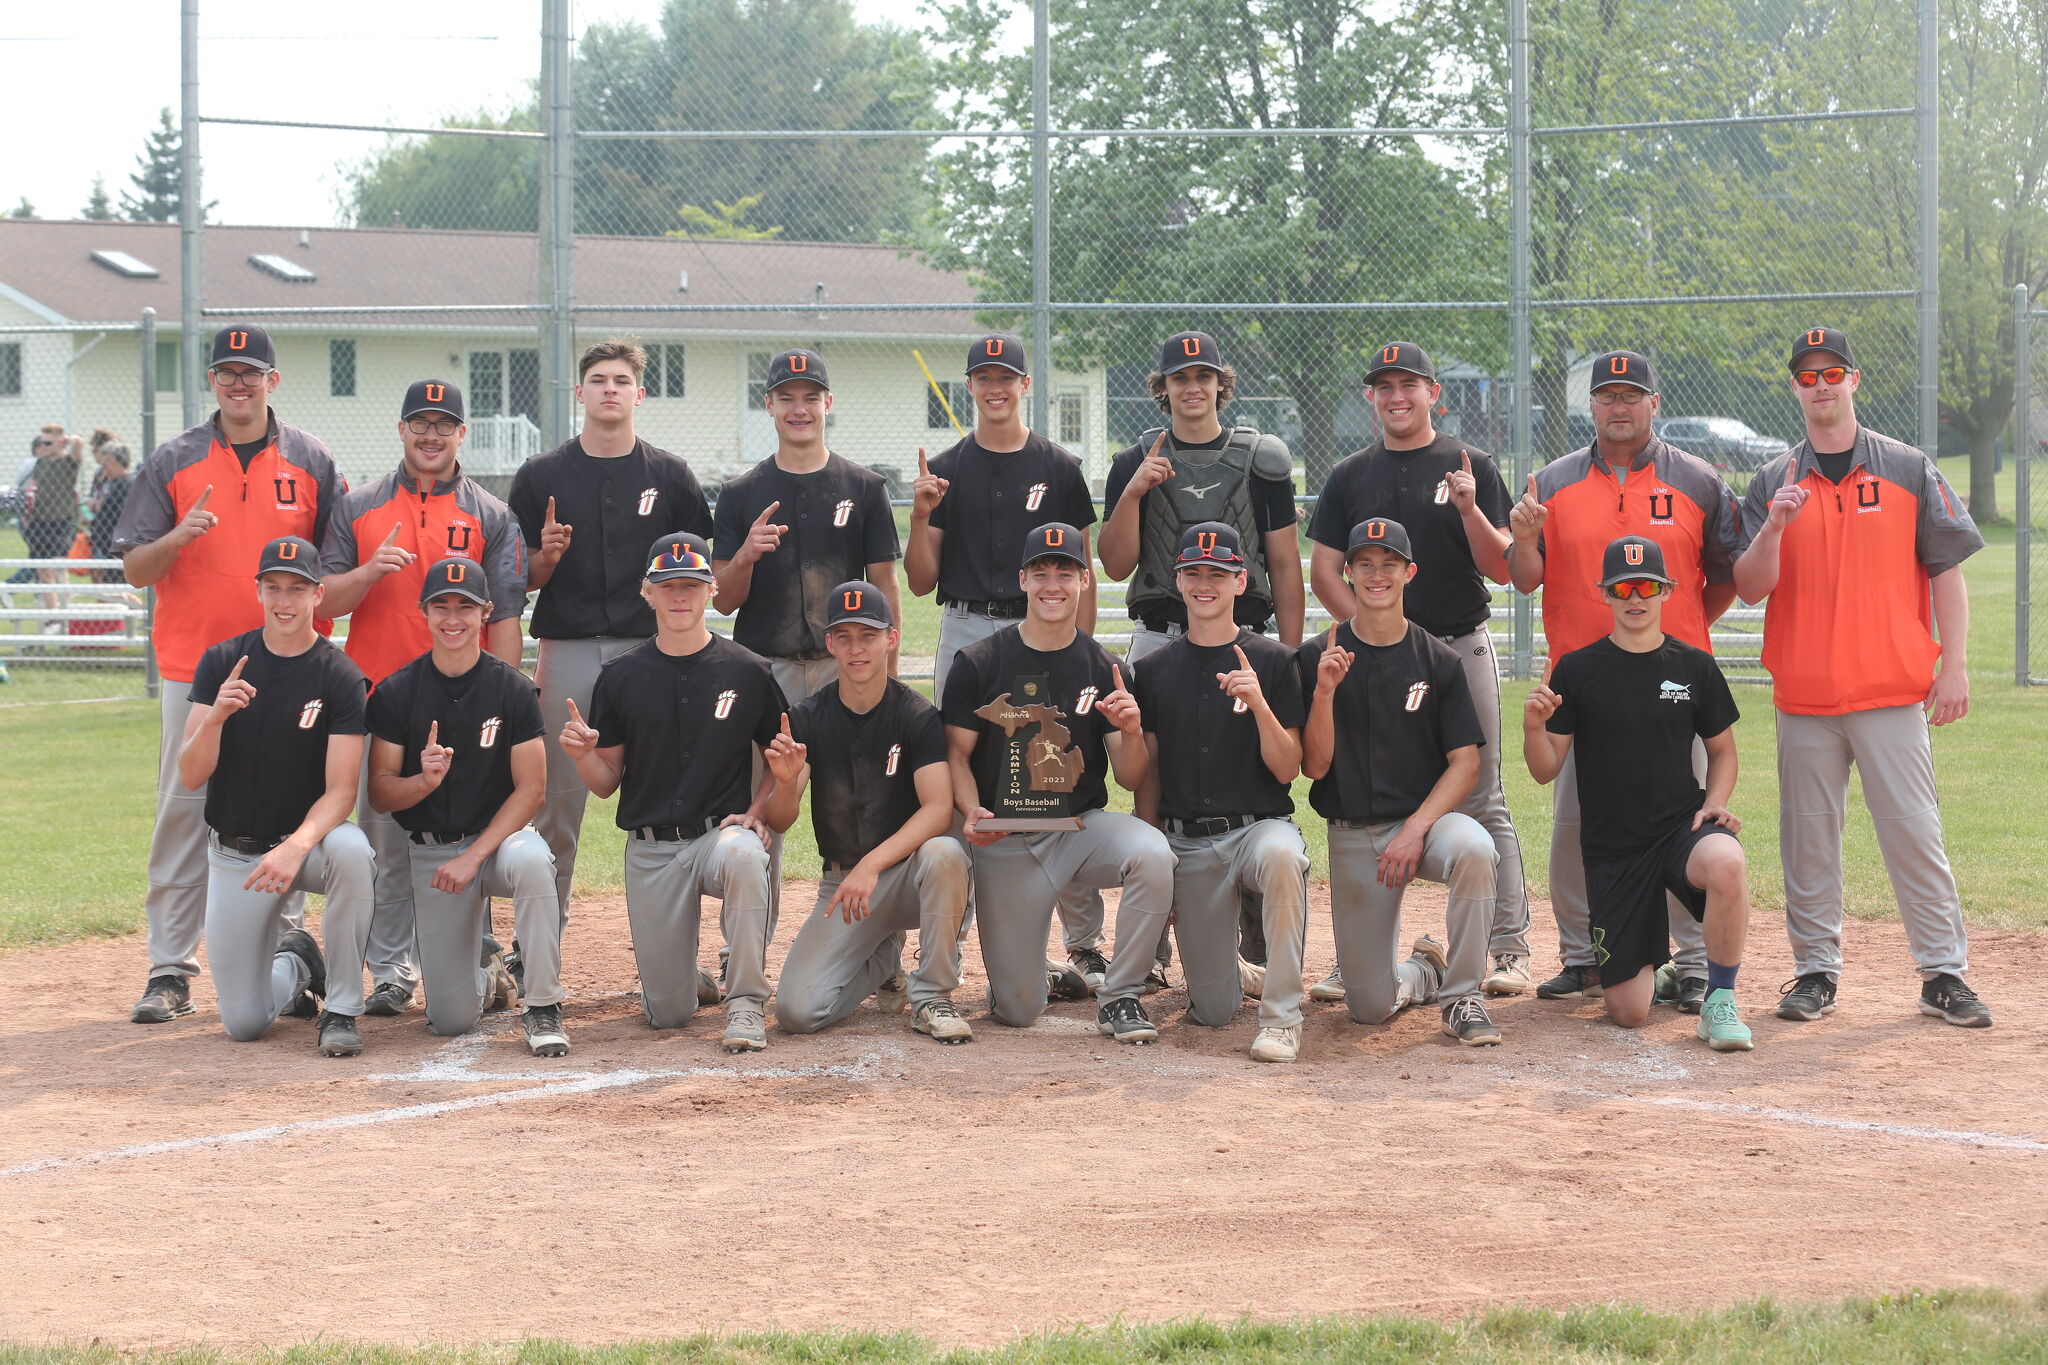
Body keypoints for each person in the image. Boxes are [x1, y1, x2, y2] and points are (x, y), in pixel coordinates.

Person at [1734, 326, 1991, 1029]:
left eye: (1833, 372)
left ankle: (1943, 973)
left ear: (1854, 379)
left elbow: (1946, 573)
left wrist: (1955, 666)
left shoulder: (1908, 468)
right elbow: (1749, 587)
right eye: (1807, 375)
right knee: (1808, 837)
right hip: (1807, 695)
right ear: (1794, 386)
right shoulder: (1772, 480)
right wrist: (1774, 529)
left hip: (1892, 690)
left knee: (1914, 832)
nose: (1821, 384)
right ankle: (1814, 971)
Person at [113, 325, 346, 1026]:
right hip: (195, 663)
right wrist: (179, 536)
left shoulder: (309, 459)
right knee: (184, 808)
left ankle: (285, 951)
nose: (238, 383)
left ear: (273, 380)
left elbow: (329, 574)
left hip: (288, 667)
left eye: (251, 372)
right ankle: (169, 968)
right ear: (211, 380)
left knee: (285, 807)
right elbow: (134, 569)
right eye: (226, 372)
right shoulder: (176, 458)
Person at [1506, 349, 1747, 1011]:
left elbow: (1724, 574)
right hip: (1581, 683)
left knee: (1686, 817)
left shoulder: (1697, 479)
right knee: (1575, 823)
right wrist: (1525, 537)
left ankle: (1694, 963)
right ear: (1592, 405)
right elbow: (1525, 576)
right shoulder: (1551, 481)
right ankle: (1585, 957)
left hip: (1674, 683)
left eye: (1631, 394)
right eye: (1607, 394)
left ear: (1653, 403)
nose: (1619, 405)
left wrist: (1682, 627)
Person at [1305, 341, 1530, 1002]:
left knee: (1483, 794)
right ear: (1371, 397)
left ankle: (1508, 945)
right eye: (1384, 386)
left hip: (1459, 645)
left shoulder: (1471, 464)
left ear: (1435, 393)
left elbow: (1505, 568)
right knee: (1367, 794)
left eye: (1410, 384)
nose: (1396, 396)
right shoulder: (1350, 473)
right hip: (1372, 658)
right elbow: (1324, 568)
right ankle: (1358, 957)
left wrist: (1468, 507)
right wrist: (1375, 639)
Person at [1100, 331, 1303, 988]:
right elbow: (1114, 562)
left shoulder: (1261, 456)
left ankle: (1255, 914)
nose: (1192, 387)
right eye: (1179, 377)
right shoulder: (1135, 458)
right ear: (1162, 387)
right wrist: (1133, 491)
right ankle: (1156, 927)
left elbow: (1282, 562)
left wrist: (1291, 654)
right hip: (1163, 633)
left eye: (1203, 376)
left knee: (1249, 773)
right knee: (1152, 780)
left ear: (1221, 382)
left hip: (1247, 632)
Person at [319, 379, 527, 1018]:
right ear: (401, 429)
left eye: (444, 424)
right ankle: (389, 970)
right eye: (419, 422)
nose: (431, 434)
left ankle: (474, 955)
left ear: (462, 433)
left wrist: (500, 702)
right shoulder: (357, 506)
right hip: (379, 697)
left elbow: (508, 619)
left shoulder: (490, 514)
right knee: (384, 837)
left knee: (461, 830)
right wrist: (368, 571)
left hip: (468, 702)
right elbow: (322, 600)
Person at [905, 332, 1106, 989]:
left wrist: (1083, 644)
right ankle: (948, 938)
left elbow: (1084, 570)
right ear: (971, 386)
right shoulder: (948, 466)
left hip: (1048, 627)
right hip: (967, 627)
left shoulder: (1059, 465)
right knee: (963, 770)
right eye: (983, 377)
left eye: (1006, 376)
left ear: (1025, 385)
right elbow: (917, 580)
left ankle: (1084, 943)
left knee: (1063, 769)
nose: (995, 387)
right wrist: (919, 517)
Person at [942, 522, 1176, 1042]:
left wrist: (1131, 731)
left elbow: (1131, 776)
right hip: (1005, 840)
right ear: (1022, 580)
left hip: (1076, 830)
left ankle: (1121, 995)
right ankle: (1029, 974)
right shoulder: (979, 662)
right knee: (1019, 1011)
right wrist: (972, 809)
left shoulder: (1103, 666)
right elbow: (956, 756)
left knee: (1153, 853)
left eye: (1065, 573)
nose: (1053, 584)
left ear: (1085, 581)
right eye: (1041, 572)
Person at [507, 338, 714, 926]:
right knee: (556, 805)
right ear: (579, 392)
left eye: (621, 381)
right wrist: (543, 559)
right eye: (598, 380)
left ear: (639, 393)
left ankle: (672, 946)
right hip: (568, 650)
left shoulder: (670, 476)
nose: (609, 389)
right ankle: (540, 941)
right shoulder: (542, 474)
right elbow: (515, 581)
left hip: (649, 654)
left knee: (670, 797)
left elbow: (697, 573)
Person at [1523, 536, 1755, 1050]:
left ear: (1667, 591)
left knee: (1727, 862)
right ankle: (1657, 971)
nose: (1635, 597)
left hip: (1678, 828)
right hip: (1614, 848)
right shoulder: (1579, 670)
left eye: (1647, 586)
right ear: (1604, 594)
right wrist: (1534, 728)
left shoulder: (1693, 666)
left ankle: (1720, 1000)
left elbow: (1723, 751)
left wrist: (1714, 800)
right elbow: (1544, 771)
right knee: (1629, 1013)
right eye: (1623, 587)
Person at [559, 532, 788, 1053]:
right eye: (667, 586)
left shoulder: (748, 670)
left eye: (690, 585)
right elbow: (605, 782)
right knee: (669, 1015)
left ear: (711, 590)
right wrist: (583, 757)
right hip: (653, 847)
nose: (679, 596)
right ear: (647, 592)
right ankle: (690, 982)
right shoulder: (620, 677)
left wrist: (756, 812)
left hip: (718, 838)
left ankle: (746, 1000)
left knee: (749, 854)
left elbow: (782, 758)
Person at [1297, 518, 1502, 1046]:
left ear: (1409, 572)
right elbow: (1314, 768)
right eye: (1364, 563)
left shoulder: (1439, 659)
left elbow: (1466, 765)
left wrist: (1416, 827)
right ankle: (1426, 971)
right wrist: (1323, 694)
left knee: (1476, 848)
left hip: (1426, 827)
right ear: (1347, 572)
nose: (1377, 574)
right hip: (1354, 830)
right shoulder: (1316, 656)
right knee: (1367, 1007)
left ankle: (1462, 996)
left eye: (1389, 563)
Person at [176, 537, 374, 1057]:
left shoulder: (340, 675)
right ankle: (299, 962)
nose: (284, 601)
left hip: (306, 850)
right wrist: (216, 715)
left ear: (318, 595)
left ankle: (342, 1008)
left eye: (297, 589)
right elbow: (191, 774)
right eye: (273, 588)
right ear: (258, 591)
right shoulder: (223, 661)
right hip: (236, 854)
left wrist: (296, 846)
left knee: (353, 850)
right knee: (243, 1023)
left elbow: (342, 792)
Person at [365, 557, 564, 1055]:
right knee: (449, 1020)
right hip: (435, 854)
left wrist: (475, 856)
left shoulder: (513, 689)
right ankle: (489, 979)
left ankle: (542, 1005)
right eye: (441, 607)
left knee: (534, 860)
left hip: (497, 846)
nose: (453, 618)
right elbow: (381, 793)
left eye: (465, 607)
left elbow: (532, 790)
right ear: (424, 612)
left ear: (486, 613)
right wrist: (423, 783)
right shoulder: (395, 693)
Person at [1129, 523, 1310, 1063]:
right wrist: (1153, 854)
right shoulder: (1154, 670)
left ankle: (1282, 1017)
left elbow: (1288, 770)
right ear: (1178, 582)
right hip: (1189, 843)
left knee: (1282, 857)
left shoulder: (1275, 661)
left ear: (1241, 582)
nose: (1205, 584)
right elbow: (1150, 775)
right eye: (1194, 574)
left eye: (1218, 574)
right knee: (1212, 1009)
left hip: (1257, 828)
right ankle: (1244, 971)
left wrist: (1259, 705)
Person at [766, 581, 973, 1044]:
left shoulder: (916, 715)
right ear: (830, 644)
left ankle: (932, 996)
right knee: (797, 1012)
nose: (856, 648)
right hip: (846, 886)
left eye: (868, 635)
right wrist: (784, 783)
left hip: (907, 876)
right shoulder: (807, 717)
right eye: (845, 637)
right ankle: (882, 960)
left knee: (946, 852)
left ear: (891, 639)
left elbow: (939, 810)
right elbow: (780, 819)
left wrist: (872, 864)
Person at [712, 348, 902, 702]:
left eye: (811, 398)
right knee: (768, 758)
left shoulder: (865, 488)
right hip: (764, 667)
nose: (799, 410)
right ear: (768, 404)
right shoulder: (739, 494)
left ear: (828, 404)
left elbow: (885, 585)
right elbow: (722, 603)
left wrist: (889, 674)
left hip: (842, 663)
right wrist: (744, 557)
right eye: (786, 398)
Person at [24, 426, 81, 614]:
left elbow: (78, 445)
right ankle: (52, 615)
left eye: (48, 442)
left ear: (60, 442)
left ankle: (68, 611)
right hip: (39, 521)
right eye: (42, 443)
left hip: (61, 520)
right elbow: (34, 488)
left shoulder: (68, 461)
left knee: (59, 566)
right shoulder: (41, 463)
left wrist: (68, 440)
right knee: (43, 571)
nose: (44, 446)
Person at [88, 437, 134, 582]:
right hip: (108, 548)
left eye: (107, 461)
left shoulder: (127, 484)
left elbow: (126, 519)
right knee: (112, 594)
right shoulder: (112, 483)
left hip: (119, 550)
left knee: (117, 594)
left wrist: (121, 549)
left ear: (118, 461)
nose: (104, 466)